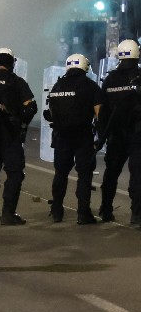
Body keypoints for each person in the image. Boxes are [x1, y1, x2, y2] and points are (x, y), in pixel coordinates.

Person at [43, 53, 103, 224]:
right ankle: (83, 214)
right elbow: (99, 114)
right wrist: (101, 137)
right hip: (83, 137)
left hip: (61, 137)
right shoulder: (91, 86)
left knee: (60, 173)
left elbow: (51, 112)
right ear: (85, 66)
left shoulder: (57, 85)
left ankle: (56, 211)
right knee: (84, 175)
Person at [0, 48, 37, 225]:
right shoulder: (17, 82)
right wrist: (21, 122)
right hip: (10, 135)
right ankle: (8, 214)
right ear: (12, 63)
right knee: (14, 173)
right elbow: (30, 107)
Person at [97, 39, 141, 224]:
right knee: (138, 174)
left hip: (115, 133)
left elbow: (102, 110)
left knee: (111, 173)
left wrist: (102, 134)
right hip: (138, 133)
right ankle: (137, 215)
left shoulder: (110, 79)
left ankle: (105, 209)